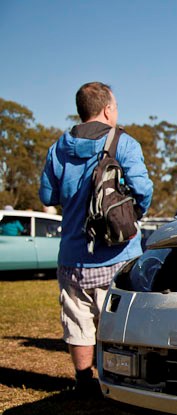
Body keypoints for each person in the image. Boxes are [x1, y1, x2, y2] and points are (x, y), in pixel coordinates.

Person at [39, 82, 153, 398]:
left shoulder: (58, 148)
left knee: (77, 321)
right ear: (107, 109)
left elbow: (47, 195)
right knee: (118, 321)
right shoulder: (124, 143)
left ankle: (83, 380)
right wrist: (129, 216)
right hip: (117, 252)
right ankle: (120, 380)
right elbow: (143, 191)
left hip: (73, 253)